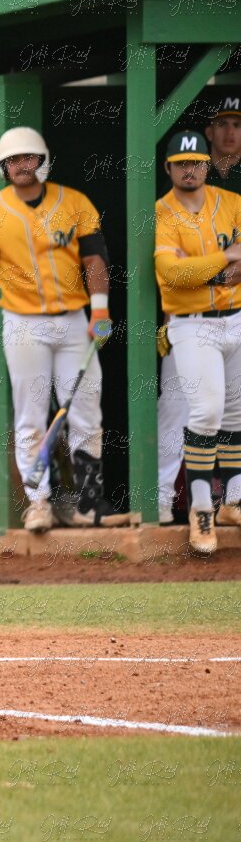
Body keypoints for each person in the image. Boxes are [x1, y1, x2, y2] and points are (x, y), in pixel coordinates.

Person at [0, 126, 129, 534]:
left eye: (28, 157)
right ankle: (38, 504)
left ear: (42, 160)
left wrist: (99, 309)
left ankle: (89, 503)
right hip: (23, 324)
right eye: (12, 160)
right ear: (3, 167)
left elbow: (95, 259)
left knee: (86, 410)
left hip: (73, 321)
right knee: (31, 416)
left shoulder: (74, 202)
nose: (21, 165)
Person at [152, 130, 241, 556]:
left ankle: (233, 502)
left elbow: (192, 271)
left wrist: (202, 270)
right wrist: (226, 260)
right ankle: (201, 510)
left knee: (235, 413)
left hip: (235, 318)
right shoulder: (161, 212)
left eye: (197, 163)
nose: (190, 170)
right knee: (205, 413)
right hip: (191, 325)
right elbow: (172, 274)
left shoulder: (232, 202)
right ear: (168, 167)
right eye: (182, 163)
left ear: (207, 165)